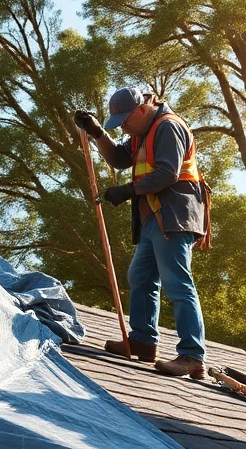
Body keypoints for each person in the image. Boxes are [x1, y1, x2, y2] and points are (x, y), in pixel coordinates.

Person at [74, 88, 211, 379]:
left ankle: (192, 355)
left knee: (176, 281)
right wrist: (97, 132)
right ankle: (143, 342)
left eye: (124, 120)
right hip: (153, 217)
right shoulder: (141, 132)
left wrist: (127, 190)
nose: (122, 126)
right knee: (141, 276)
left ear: (141, 109)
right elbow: (120, 159)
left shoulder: (168, 127)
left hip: (173, 215)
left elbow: (167, 173)